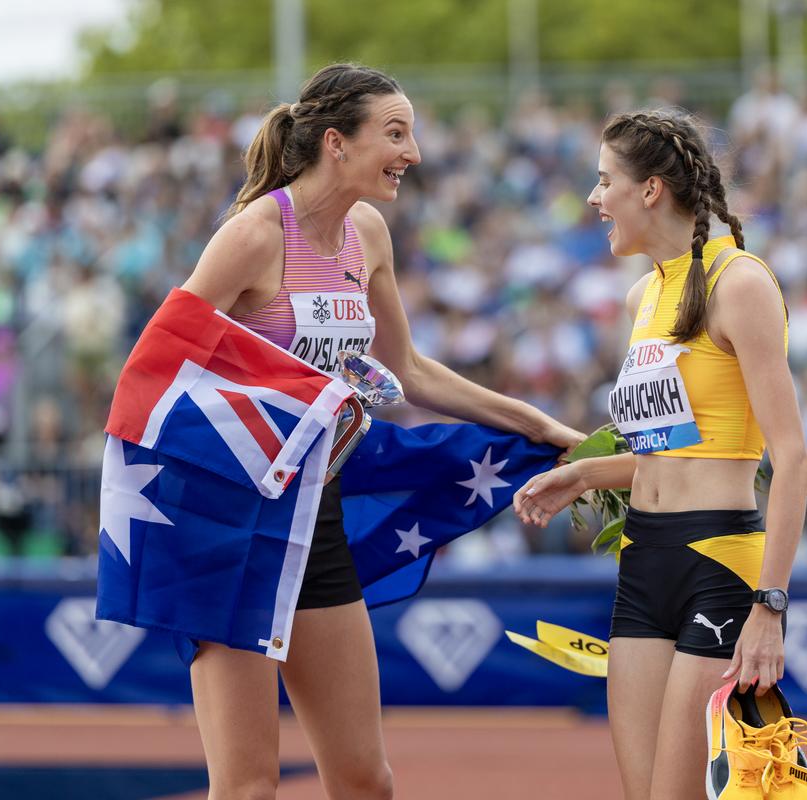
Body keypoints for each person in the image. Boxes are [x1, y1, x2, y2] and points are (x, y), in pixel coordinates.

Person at [180, 63, 583, 800]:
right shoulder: (254, 236)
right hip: (233, 526)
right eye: (395, 133)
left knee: (367, 782)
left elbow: (411, 372)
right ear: (337, 143)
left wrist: (543, 426)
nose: (415, 153)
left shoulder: (368, 233)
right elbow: (162, 368)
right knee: (246, 786)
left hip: (316, 516)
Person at [514, 109, 807, 799]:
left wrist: (771, 606)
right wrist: (586, 472)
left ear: (650, 190)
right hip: (644, 561)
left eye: (603, 180)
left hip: (719, 561)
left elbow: (790, 459)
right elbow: (669, 454)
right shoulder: (642, 294)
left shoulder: (738, 282)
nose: (593, 198)